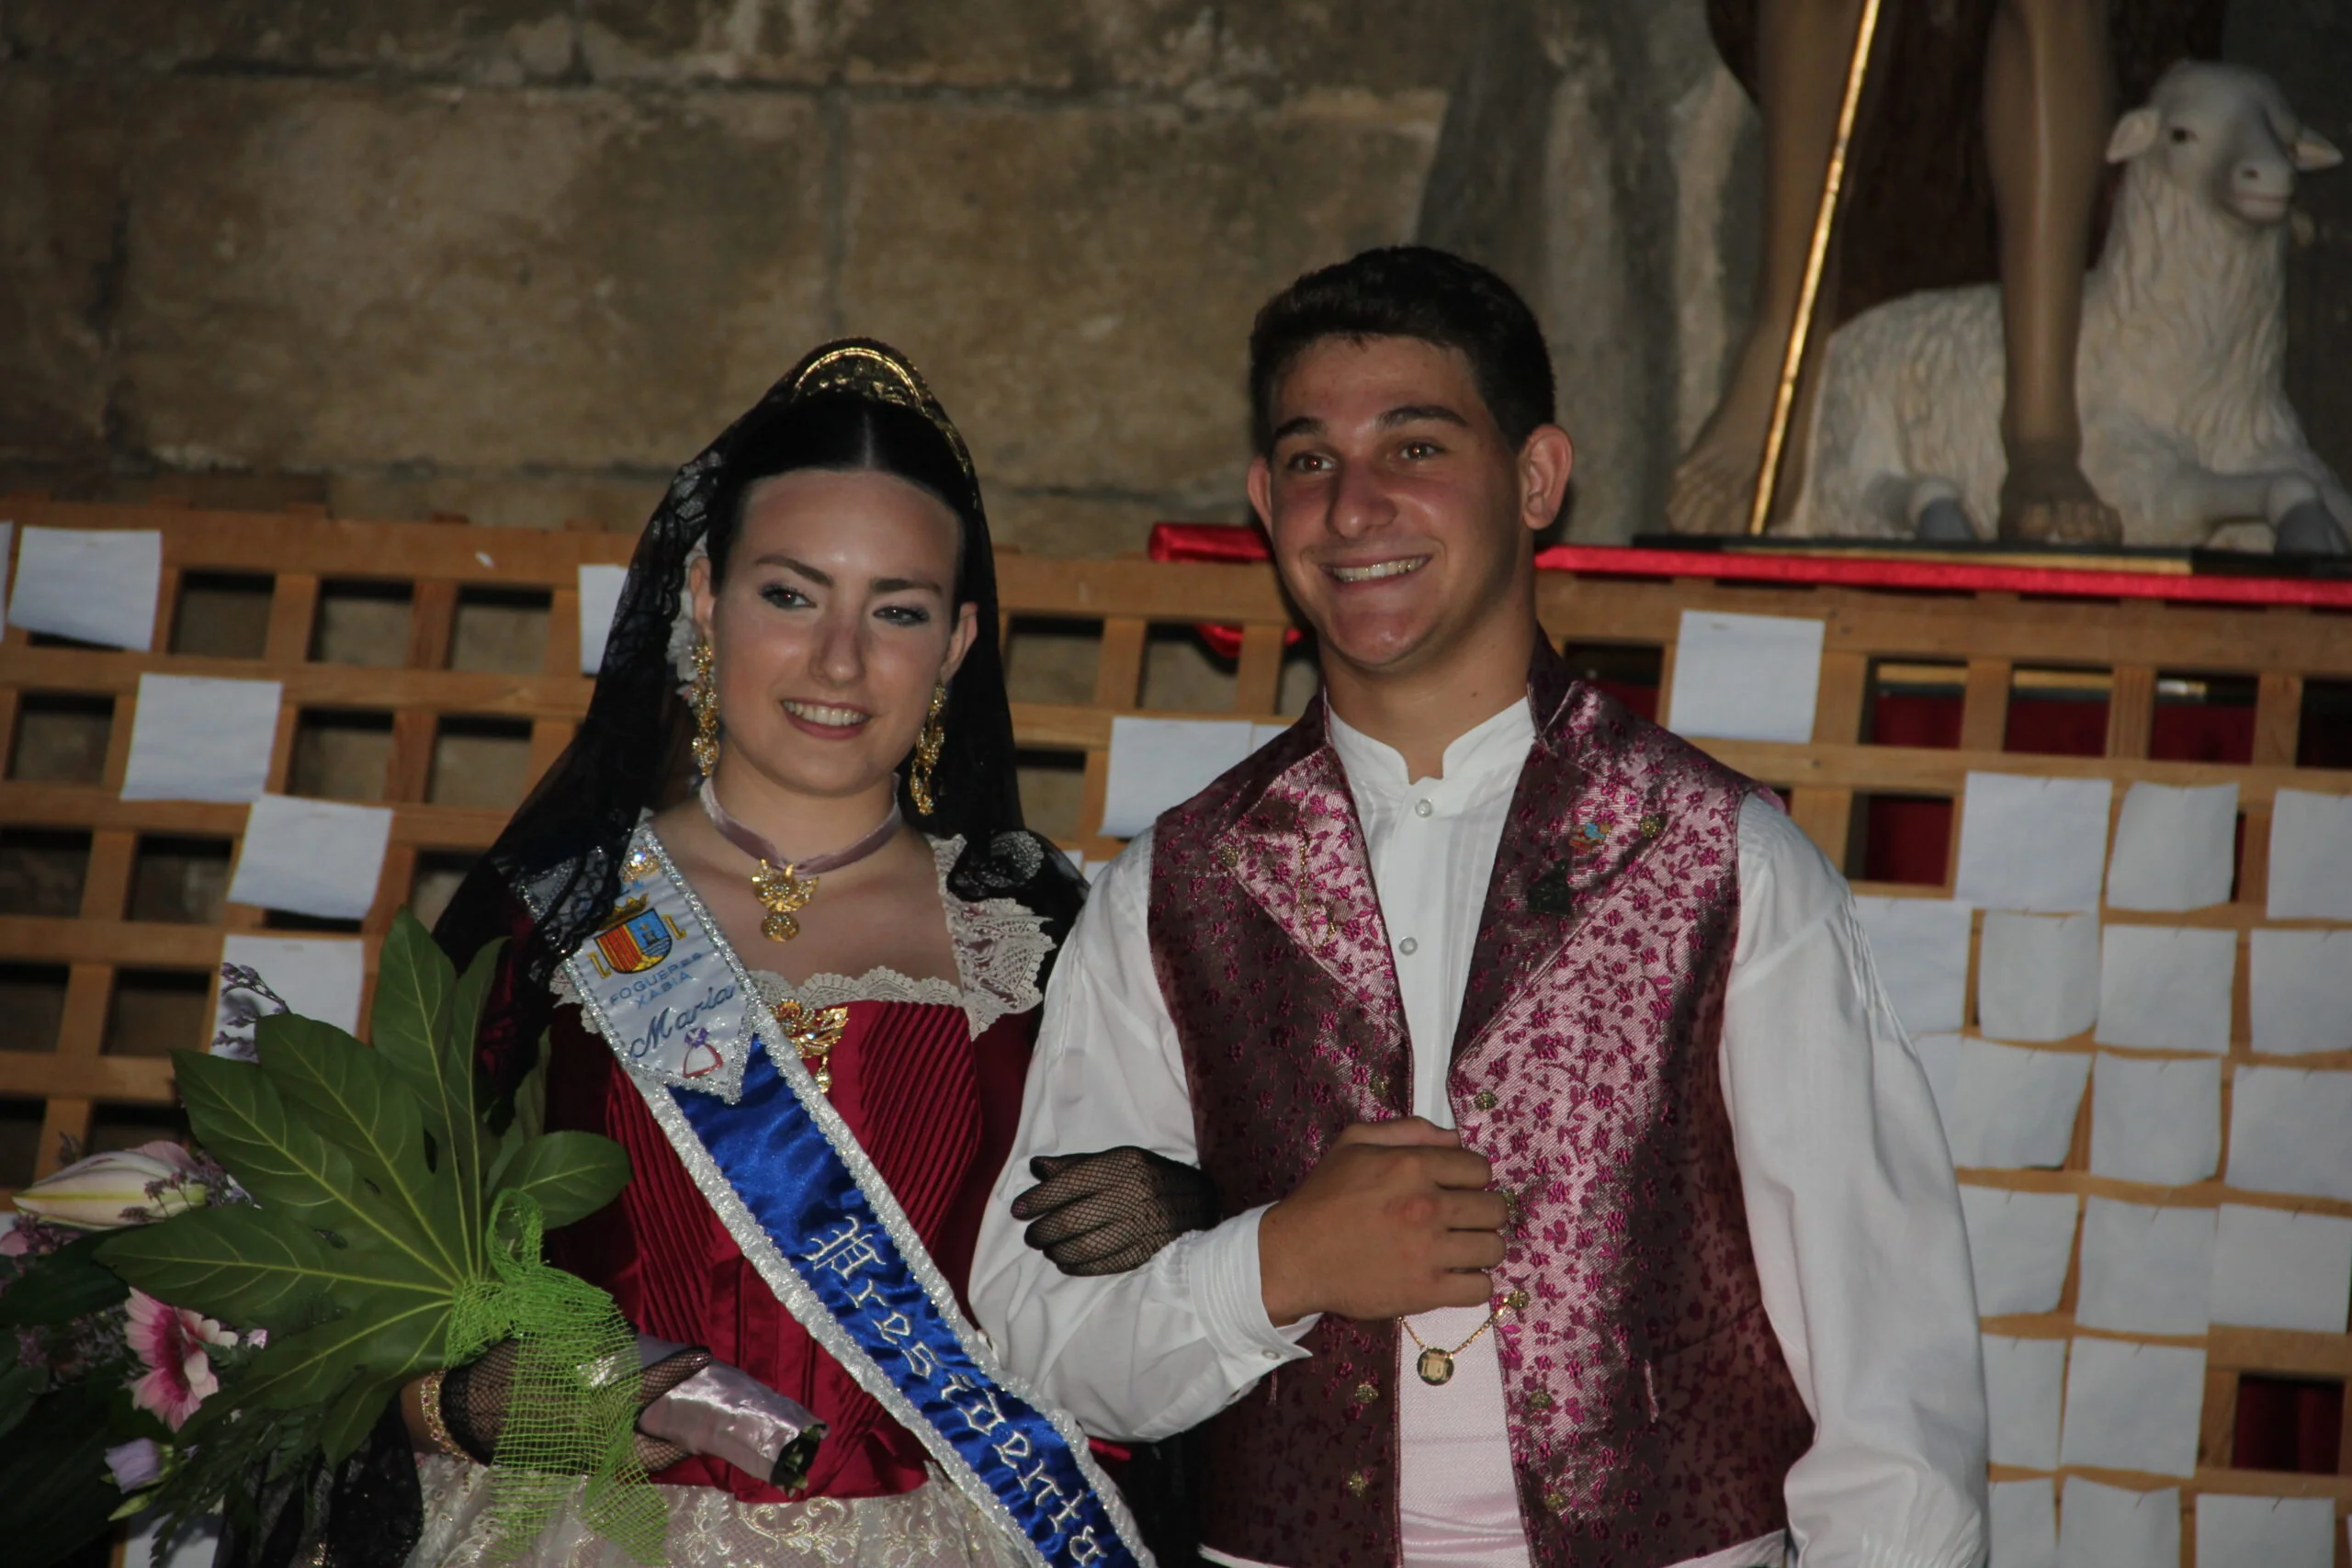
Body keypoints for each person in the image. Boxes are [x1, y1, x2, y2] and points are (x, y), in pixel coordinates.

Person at [973, 249, 1989, 1567]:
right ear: (1260, 502)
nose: (1353, 507)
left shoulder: (1720, 859)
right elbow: (1036, 1329)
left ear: (1535, 478)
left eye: (1414, 445)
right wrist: (1277, 1262)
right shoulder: (1175, 885)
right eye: (1309, 460)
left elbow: (1885, 1364)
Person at [404, 341, 1158, 1568]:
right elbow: (382, 1276)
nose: (840, 661)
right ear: (704, 596)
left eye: (898, 610)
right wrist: (472, 1402)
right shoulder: (551, 914)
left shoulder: (1041, 936)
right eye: (792, 594)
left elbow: (1134, 1317)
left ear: (958, 642)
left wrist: (1178, 1206)